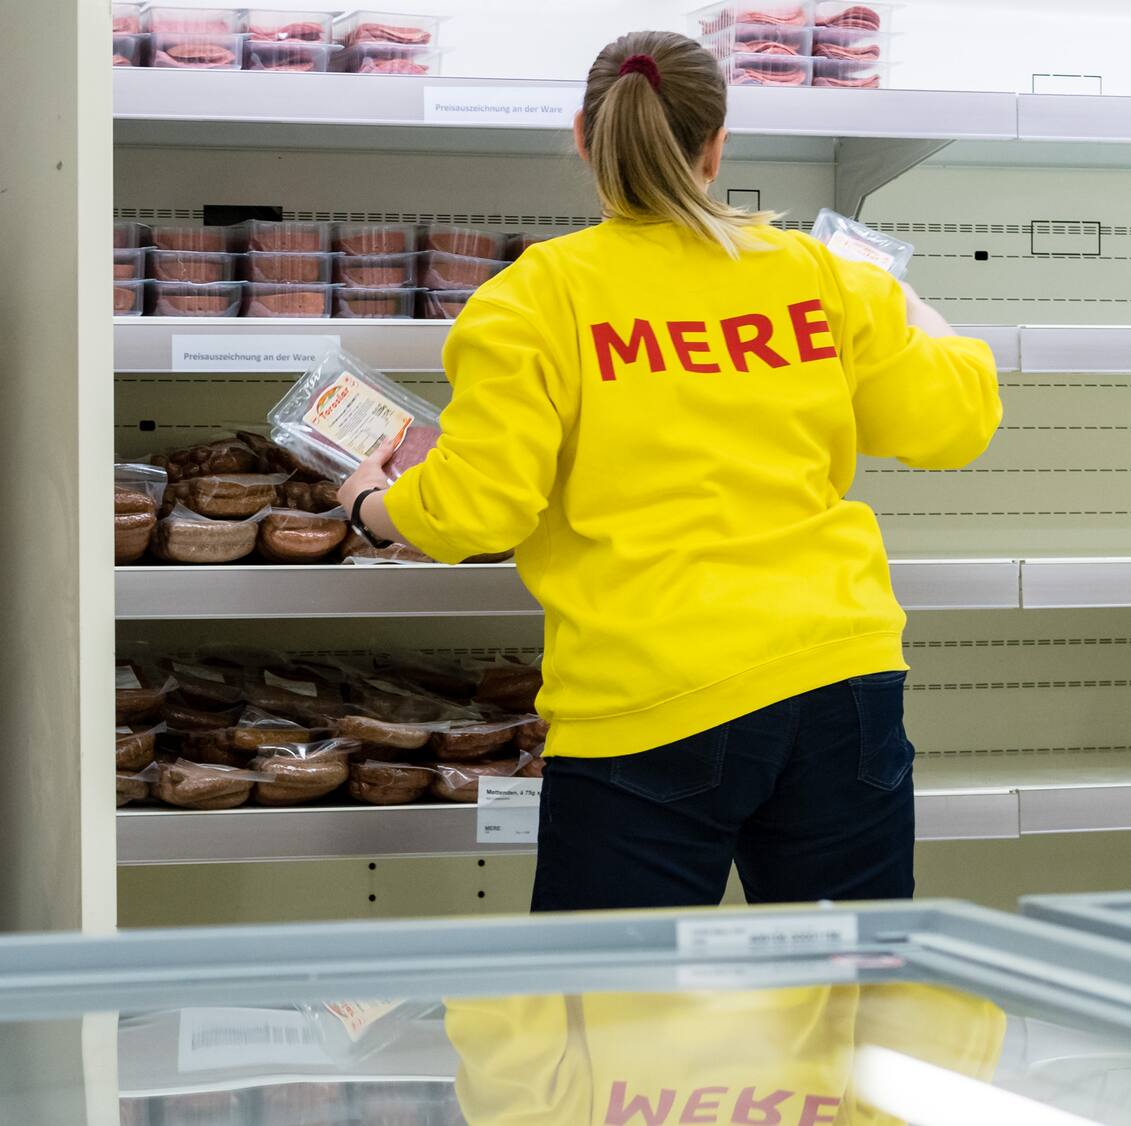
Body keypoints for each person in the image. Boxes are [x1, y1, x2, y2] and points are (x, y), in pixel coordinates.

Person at [341, 29, 1001, 913]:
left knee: (612, 1022)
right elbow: (957, 423)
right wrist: (911, 303)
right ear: (717, 145)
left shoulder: (537, 297)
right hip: (837, 685)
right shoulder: (821, 277)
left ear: (585, 135)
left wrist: (369, 504)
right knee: (848, 1002)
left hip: (645, 704)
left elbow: (477, 512)